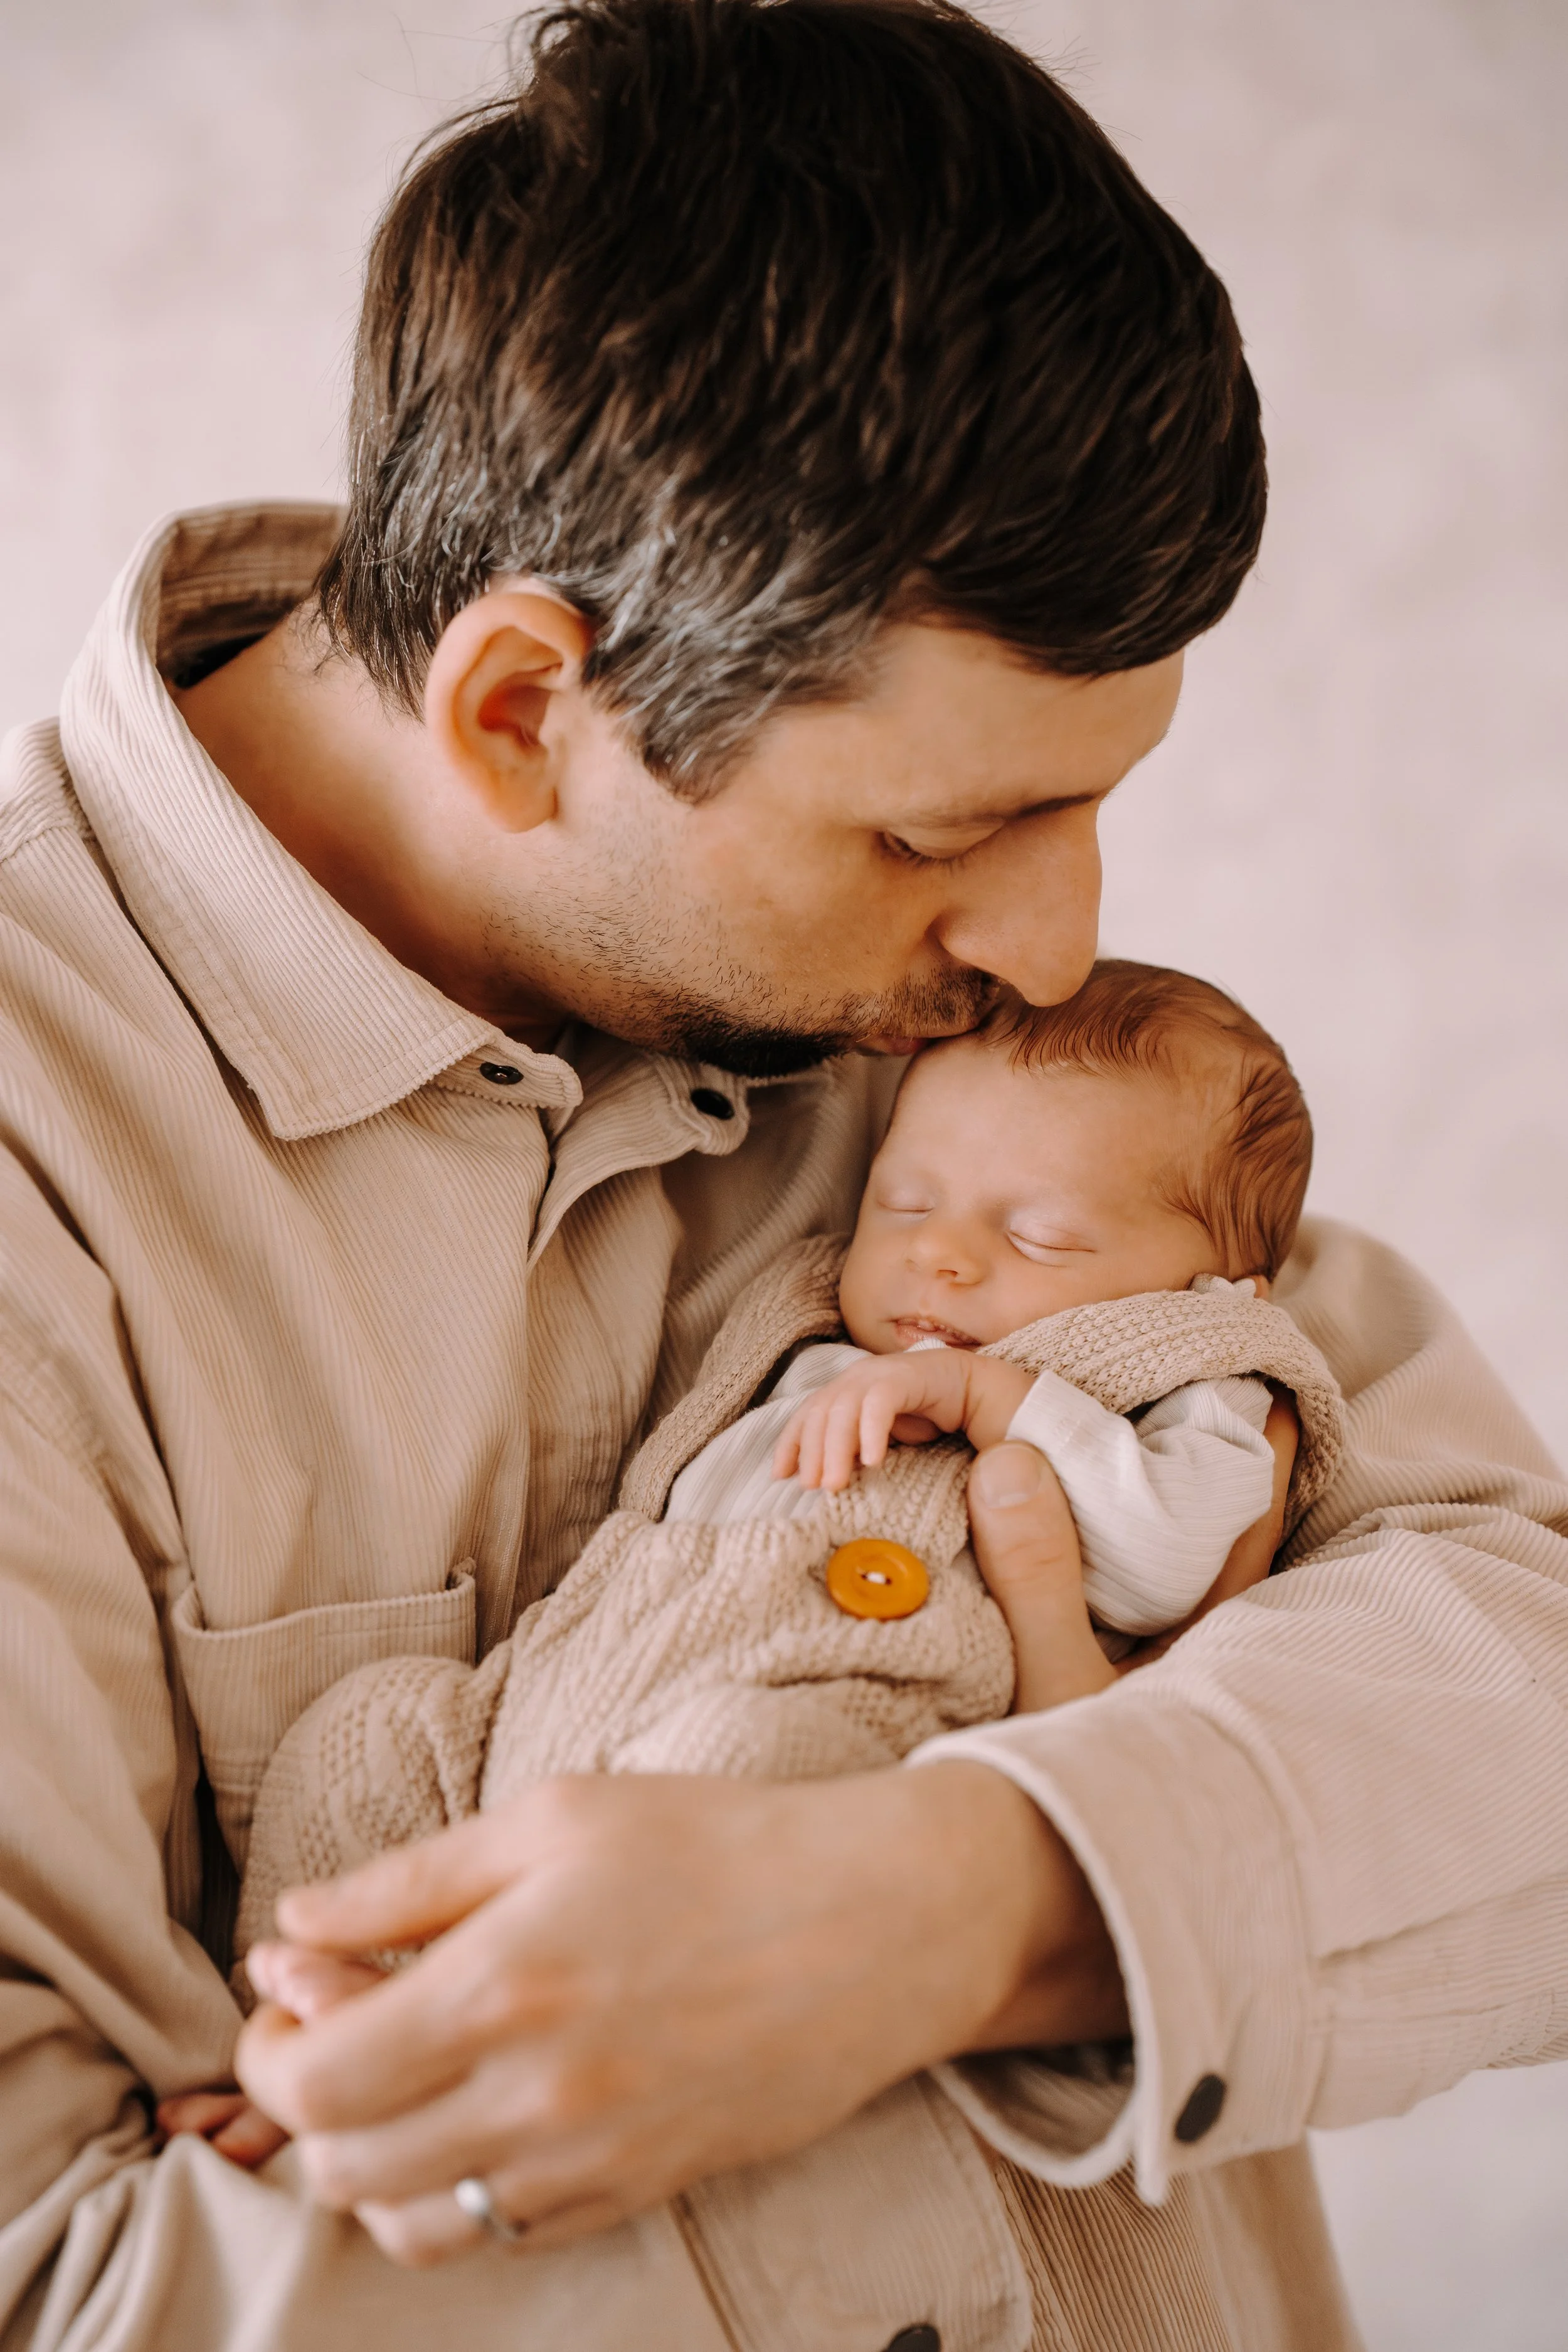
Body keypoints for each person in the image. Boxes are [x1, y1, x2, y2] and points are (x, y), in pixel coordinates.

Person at [1, 3, 1562, 2348]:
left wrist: (957, 1908)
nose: (1052, 942)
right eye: (948, 829)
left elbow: (1522, 1671)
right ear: (523, 713)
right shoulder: (48, 1184)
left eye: (1091, 798)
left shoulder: (963, 1051)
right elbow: (62, 2277)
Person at [157, 961, 1341, 2174]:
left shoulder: (1198, 1383)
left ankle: (435, 2077)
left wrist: (993, 1395)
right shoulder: (812, 1319)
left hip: (828, 1708)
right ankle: (312, 2038)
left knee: (718, 1784)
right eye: (905, 1202)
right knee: (364, 1742)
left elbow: (1163, 1562)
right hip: (569, 1684)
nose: (941, 1259)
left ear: (1216, 1288)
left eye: (1037, 1234)